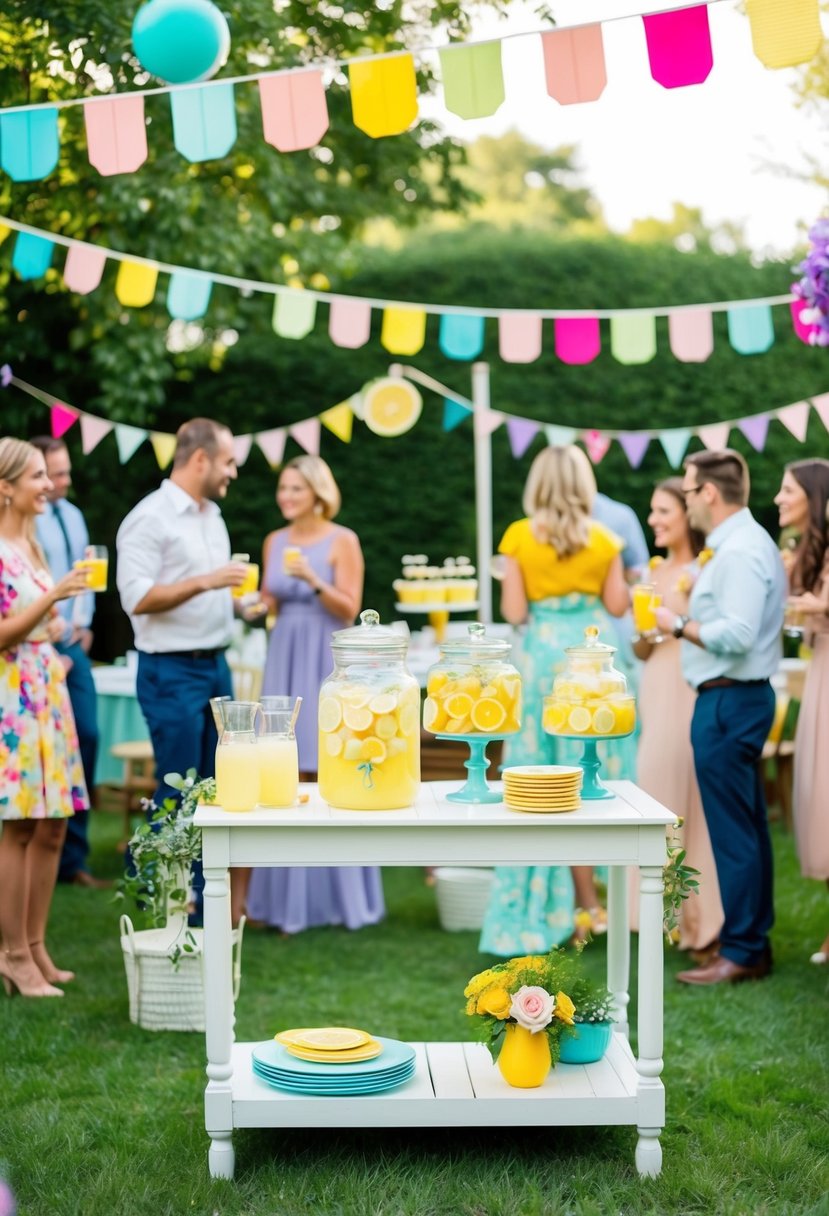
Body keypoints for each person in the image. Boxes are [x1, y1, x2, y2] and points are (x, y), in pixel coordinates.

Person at [479, 445, 634, 956]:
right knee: (589, 778)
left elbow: (516, 610)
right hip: (591, 658)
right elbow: (616, 606)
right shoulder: (607, 539)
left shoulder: (519, 537)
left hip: (544, 658)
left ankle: (567, 908)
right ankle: (594, 907)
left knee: (540, 787)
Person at [655, 449, 786, 986]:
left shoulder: (737, 552)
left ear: (708, 493)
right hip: (731, 698)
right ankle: (749, 944)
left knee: (735, 832)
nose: (687, 504)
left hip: (730, 700)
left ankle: (742, 950)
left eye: (687, 493)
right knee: (747, 829)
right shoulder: (737, 545)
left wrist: (677, 621)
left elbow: (736, 635)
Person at [116, 418, 253, 923]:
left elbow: (209, 594)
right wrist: (209, 580)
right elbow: (137, 599)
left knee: (217, 787)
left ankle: (202, 906)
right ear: (200, 459)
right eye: (228, 461)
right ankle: (155, 899)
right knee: (176, 787)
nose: (233, 472)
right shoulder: (148, 519)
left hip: (214, 665)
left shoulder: (212, 516)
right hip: (170, 672)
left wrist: (240, 606)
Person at [244, 455, 384, 935]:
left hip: (326, 657)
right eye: (282, 488)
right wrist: (251, 604)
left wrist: (312, 579)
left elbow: (349, 608)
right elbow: (269, 599)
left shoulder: (342, 540)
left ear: (318, 493)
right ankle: (282, 903)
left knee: (329, 763)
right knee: (281, 763)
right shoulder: (274, 541)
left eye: (295, 489)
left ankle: (335, 901)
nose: (285, 497)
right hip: (284, 652)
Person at [0, 437, 91, 997]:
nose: (48, 484)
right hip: (13, 698)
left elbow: (33, 624)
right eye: (37, 476)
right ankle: (11, 954)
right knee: (18, 826)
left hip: (45, 688)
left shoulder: (30, 544)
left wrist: (52, 626)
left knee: (52, 826)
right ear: (6, 486)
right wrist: (52, 598)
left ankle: (35, 945)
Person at [631, 478, 723, 956]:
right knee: (657, 796)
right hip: (657, 688)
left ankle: (704, 923)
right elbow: (643, 648)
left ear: (687, 514)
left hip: (693, 688)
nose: (653, 520)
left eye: (663, 510)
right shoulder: (653, 573)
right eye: (652, 511)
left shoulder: (708, 570)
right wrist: (643, 626)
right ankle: (659, 920)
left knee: (697, 804)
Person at [31, 435, 108, 890]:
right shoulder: (26, 519)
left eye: (64, 472)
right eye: (54, 474)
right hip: (41, 643)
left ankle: (71, 857)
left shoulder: (73, 515)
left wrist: (87, 621)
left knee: (89, 736)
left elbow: (86, 576)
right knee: (51, 748)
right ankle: (38, 845)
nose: (62, 481)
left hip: (75, 641)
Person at [773, 458, 829, 965]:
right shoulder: (802, 552)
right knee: (821, 802)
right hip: (820, 679)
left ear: (813, 495)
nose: (778, 498)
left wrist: (808, 605)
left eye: (787, 489)